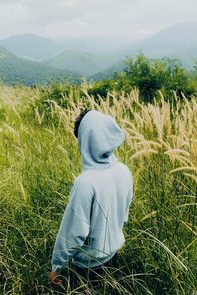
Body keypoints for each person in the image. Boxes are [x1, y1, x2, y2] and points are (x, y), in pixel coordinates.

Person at [49, 109, 133, 290]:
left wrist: (57, 265)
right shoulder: (124, 170)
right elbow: (124, 214)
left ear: (85, 141)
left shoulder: (85, 182)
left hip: (86, 267)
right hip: (113, 256)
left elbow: (73, 232)